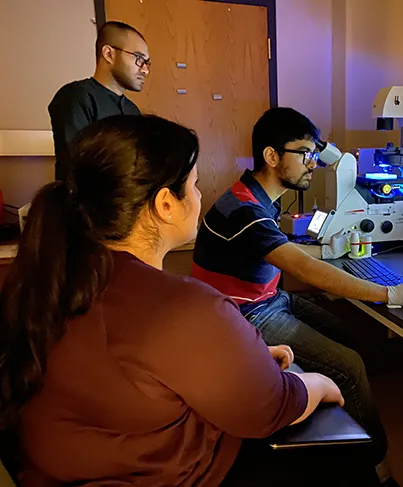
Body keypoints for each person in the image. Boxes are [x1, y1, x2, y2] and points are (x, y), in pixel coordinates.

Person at [0, 115, 380, 486]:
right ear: (166, 204)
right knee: (345, 426)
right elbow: (268, 409)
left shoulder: (48, 278)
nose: (200, 196)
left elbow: (142, 367)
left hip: (72, 463)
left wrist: (245, 360)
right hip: (166, 471)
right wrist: (317, 384)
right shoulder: (185, 306)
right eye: (195, 185)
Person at [192, 107, 403, 480]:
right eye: (305, 153)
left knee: (348, 336)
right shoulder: (246, 213)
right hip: (246, 314)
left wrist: (330, 250)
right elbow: (307, 271)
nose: (313, 163)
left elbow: (285, 251)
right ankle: (377, 465)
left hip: (266, 299)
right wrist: (391, 293)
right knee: (349, 365)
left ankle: (336, 434)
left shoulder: (253, 195)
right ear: (272, 156)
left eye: (315, 153)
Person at [48, 21, 149, 180]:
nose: (145, 70)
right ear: (109, 54)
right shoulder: (75, 97)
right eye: (139, 58)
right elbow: (77, 169)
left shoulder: (132, 110)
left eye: (147, 62)